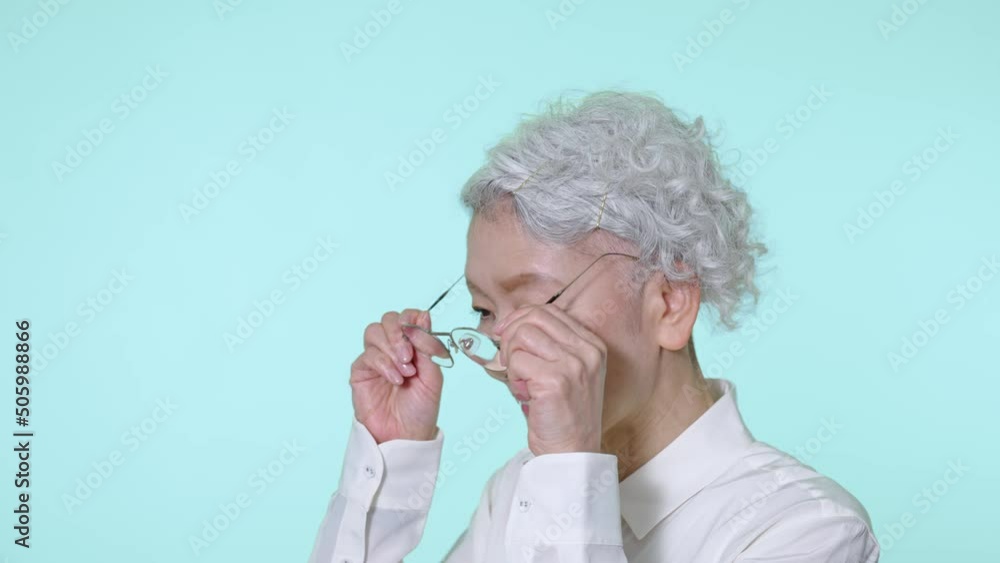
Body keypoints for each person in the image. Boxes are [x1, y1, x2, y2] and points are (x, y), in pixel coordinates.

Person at [308, 91, 879, 562]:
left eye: (537, 304)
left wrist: (568, 471)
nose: (503, 359)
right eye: (484, 310)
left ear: (670, 302)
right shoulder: (518, 490)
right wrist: (389, 459)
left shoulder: (806, 529)